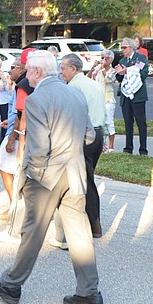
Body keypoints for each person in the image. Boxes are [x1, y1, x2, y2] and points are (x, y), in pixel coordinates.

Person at [0, 50, 102, 304]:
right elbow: (90, 135)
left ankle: (11, 285)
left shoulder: (36, 100)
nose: (26, 75)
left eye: (27, 71)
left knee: (32, 232)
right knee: (79, 233)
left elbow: (37, 150)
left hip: (47, 176)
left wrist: (29, 181)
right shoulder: (75, 93)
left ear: (36, 72)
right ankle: (89, 292)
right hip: (75, 172)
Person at [59, 53, 110, 238]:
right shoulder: (94, 85)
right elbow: (103, 112)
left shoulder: (73, 87)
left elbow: (70, 116)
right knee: (87, 178)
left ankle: (90, 224)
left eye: (63, 68)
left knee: (82, 182)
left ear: (73, 68)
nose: (61, 72)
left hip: (83, 135)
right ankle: (92, 223)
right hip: (97, 134)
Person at [0, 60, 24, 222]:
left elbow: (22, 114)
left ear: (22, 69)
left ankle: (14, 207)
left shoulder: (22, 87)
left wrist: (12, 138)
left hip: (17, 136)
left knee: (6, 169)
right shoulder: (20, 85)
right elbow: (16, 114)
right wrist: (9, 121)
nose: (9, 70)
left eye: (13, 67)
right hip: (14, 129)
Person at [115, 37, 149, 155]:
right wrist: (119, 73)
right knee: (128, 123)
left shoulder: (140, 58)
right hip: (126, 96)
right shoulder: (123, 61)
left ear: (131, 47)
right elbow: (119, 78)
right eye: (122, 47)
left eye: (124, 47)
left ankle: (143, 149)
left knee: (141, 122)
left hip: (137, 95)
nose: (122, 50)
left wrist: (128, 71)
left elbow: (143, 74)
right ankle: (128, 148)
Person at [91, 49, 117, 152]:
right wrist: (93, 67)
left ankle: (111, 146)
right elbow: (89, 78)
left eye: (106, 58)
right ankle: (102, 145)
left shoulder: (113, 71)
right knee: (99, 122)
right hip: (97, 99)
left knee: (109, 122)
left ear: (111, 60)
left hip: (108, 100)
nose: (104, 60)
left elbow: (108, 80)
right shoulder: (97, 69)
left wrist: (102, 69)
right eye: (102, 57)